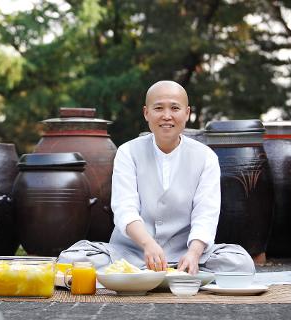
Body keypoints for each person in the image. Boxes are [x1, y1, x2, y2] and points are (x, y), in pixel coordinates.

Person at [59, 80, 254, 274]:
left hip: (184, 253)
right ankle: (155, 272)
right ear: (146, 113)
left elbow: (206, 214)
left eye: (175, 108)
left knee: (240, 263)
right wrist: (147, 244)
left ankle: (168, 271)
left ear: (187, 113)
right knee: (72, 258)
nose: (166, 116)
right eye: (158, 108)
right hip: (131, 252)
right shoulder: (128, 152)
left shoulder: (206, 157)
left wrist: (194, 253)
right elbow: (124, 209)